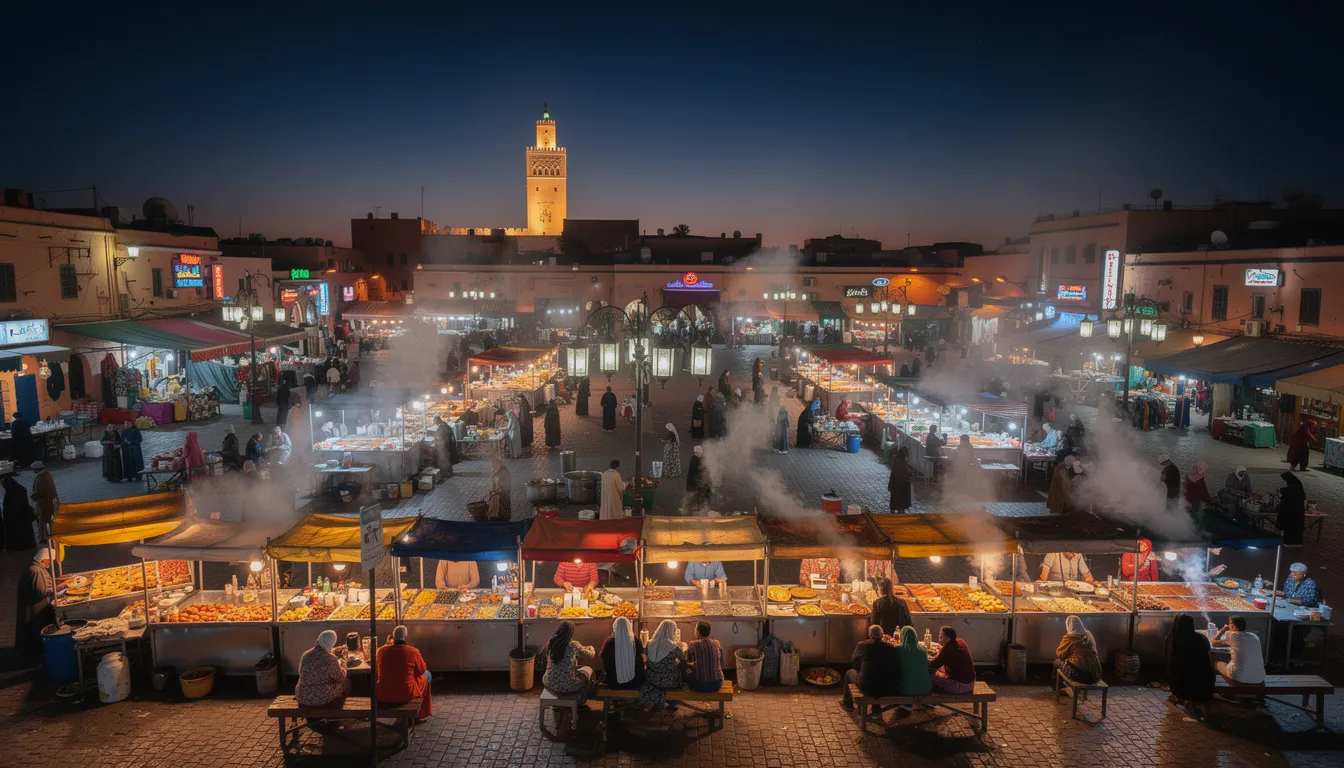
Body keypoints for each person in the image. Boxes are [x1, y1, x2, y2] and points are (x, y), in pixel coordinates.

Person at [376, 625, 432, 720]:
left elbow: (378, 669)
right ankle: (422, 712)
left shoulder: (380, 651)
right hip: (405, 693)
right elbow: (421, 670)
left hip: (383, 692)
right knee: (427, 674)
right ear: (406, 636)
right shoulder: (413, 651)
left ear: (392, 637)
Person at [842, 624, 902, 709]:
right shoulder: (890, 648)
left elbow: (854, 661)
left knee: (849, 673)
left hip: (866, 687)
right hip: (887, 688)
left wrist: (862, 669)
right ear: (882, 635)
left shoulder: (862, 645)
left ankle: (847, 702)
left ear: (869, 635)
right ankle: (876, 711)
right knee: (877, 678)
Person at [1166, 614, 1216, 709]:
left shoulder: (1170, 639)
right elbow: (1208, 652)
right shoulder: (1201, 639)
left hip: (1177, 682)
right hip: (1201, 681)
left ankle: (1183, 697)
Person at [14, 547, 55, 659]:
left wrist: (59, 580)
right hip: (35, 607)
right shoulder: (36, 571)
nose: (50, 564)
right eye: (49, 561)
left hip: (31, 605)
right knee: (35, 627)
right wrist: (60, 586)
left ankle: (31, 650)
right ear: (43, 560)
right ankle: (36, 651)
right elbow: (42, 591)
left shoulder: (33, 567)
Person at [542, 621, 595, 703]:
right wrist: (591, 648)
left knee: (575, 668)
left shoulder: (551, 642)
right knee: (587, 672)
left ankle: (557, 704)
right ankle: (581, 702)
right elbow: (591, 655)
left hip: (549, 683)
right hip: (567, 686)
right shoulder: (573, 645)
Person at [639, 620, 687, 709]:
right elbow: (683, 658)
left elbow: (647, 657)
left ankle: (658, 703)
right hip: (669, 681)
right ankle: (673, 703)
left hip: (651, 679)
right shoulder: (673, 646)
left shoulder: (650, 643)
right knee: (681, 676)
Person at [296, 629, 349, 708]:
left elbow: (302, 673)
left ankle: (311, 718)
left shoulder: (306, 654)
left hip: (302, 696)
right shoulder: (330, 658)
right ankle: (335, 714)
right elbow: (340, 678)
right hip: (320, 698)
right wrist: (344, 662)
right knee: (346, 683)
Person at [1211, 616, 1265, 685]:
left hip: (1240, 678)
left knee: (1216, 663)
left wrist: (1223, 629)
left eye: (1229, 625)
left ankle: (1214, 689)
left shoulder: (1233, 636)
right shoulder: (1254, 636)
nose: (1228, 626)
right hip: (1259, 678)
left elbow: (1214, 642)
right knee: (1233, 662)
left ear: (1234, 627)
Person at [1054, 616, 1103, 684]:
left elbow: (1060, 655)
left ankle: (1058, 688)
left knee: (1057, 662)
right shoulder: (1088, 634)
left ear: (1068, 625)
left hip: (1081, 676)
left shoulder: (1070, 638)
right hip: (1096, 674)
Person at [599, 616, 644, 690]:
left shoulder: (610, 642)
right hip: (634, 682)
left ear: (615, 627)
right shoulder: (636, 641)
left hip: (613, 681)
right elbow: (640, 656)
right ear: (629, 626)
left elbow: (604, 658)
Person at [928, 626, 976, 693]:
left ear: (947, 638)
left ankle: (929, 695)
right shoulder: (960, 641)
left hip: (961, 686)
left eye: (941, 637)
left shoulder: (948, 648)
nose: (939, 639)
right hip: (971, 683)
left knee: (930, 673)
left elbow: (933, 665)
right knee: (940, 668)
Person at [685, 621, 725, 693]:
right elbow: (721, 662)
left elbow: (688, 660)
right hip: (717, 683)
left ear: (698, 632)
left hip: (700, 685)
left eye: (695, 628)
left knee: (684, 673)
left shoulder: (693, 644)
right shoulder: (717, 643)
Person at [893, 626, 933, 695]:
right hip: (925, 687)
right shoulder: (923, 649)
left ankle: (906, 704)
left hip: (906, 689)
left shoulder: (898, 649)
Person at [3, 475, 36, 552]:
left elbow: (8, 508)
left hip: (14, 518)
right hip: (24, 516)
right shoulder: (21, 489)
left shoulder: (9, 494)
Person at [1276, 471, 1306, 546]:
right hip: (1298, 512)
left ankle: (1289, 543)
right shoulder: (1298, 485)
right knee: (1296, 527)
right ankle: (1296, 543)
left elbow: (1288, 495)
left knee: (1290, 527)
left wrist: (1283, 491)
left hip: (1291, 512)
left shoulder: (1293, 487)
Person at [29, 463, 57, 541]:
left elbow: (40, 491)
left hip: (44, 501)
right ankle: (49, 534)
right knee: (48, 519)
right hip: (49, 500)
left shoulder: (41, 477)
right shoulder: (47, 474)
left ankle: (44, 537)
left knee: (43, 519)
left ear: (36, 469)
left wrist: (32, 496)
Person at [685, 445, 710, 514]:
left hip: (703, 481)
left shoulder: (704, 459)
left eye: (699, 453)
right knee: (697, 496)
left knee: (704, 495)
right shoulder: (693, 460)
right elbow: (691, 473)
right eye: (696, 453)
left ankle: (705, 507)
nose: (698, 454)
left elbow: (707, 471)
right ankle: (699, 508)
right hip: (696, 482)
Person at [888, 445, 913, 513]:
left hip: (895, 483)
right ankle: (900, 508)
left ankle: (893, 508)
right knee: (900, 496)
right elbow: (906, 473)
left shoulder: (897, 459)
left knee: (895, 496)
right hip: (901, 484)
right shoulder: (902, 461)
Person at [488, 456, 512, 521]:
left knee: (503, 515)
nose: (493, 467)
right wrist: (492, 491)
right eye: (492, 466)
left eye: (494, 465)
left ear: (499, 465)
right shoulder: (495, 473)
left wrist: (496, 492)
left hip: (503, 495)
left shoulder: (504, 473)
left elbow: (505, 487)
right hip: (497, 494)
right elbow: (494, 484)